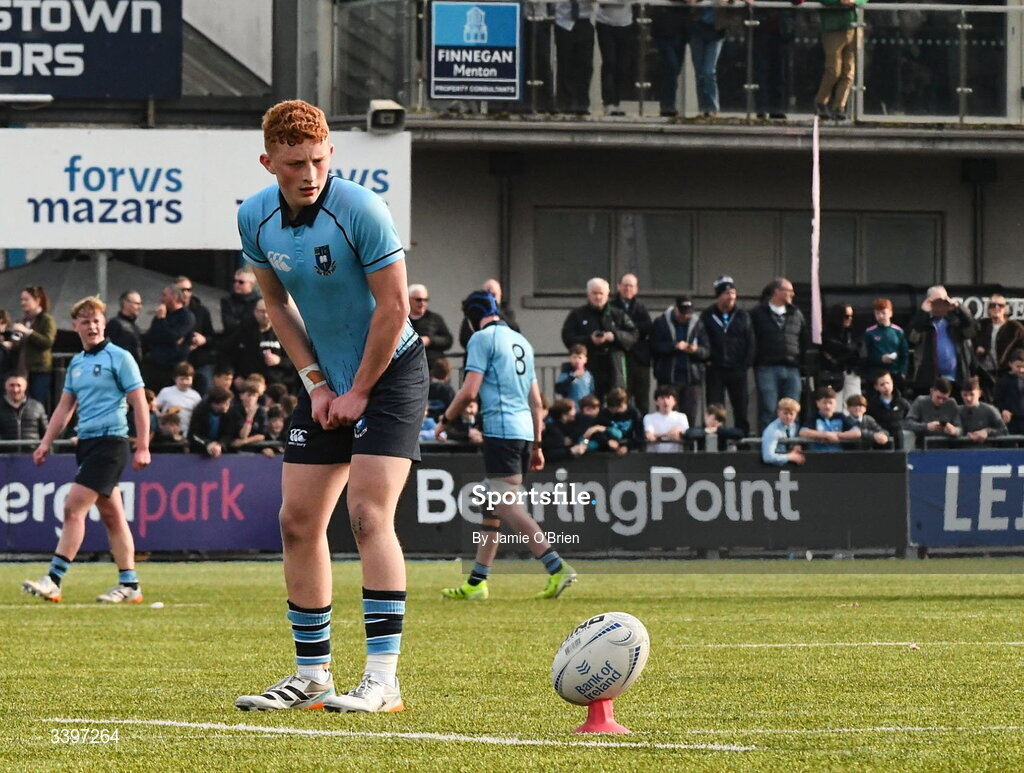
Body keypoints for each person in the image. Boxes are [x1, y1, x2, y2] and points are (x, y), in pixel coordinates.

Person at [234, 100, 428, 714]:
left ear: (331, 155)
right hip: (330, 382)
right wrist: (318, 384)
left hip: (391, 373)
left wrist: (360, 391)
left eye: (318, 160)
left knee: (368, 515)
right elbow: (276, 306)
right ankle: (313, 675)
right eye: (295, 164)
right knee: (297, 521)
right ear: (269, 163)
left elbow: (395, 307)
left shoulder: (362, 210)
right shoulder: (253, 219)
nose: (309, 173)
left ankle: (382, 680)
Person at [438, 290, 576, 601]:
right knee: (491, 505)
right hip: (525, 431)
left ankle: (556, 566)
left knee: (504, 504)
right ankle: (477, 582)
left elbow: (469, 391)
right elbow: (536, 400)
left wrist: (444, 421)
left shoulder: (482, 339)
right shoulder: (521, 342)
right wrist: (538, 444)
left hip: (501, 429)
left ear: (473, 317)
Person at [22, 296, 150, 604]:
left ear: (103, 324)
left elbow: (139, 402)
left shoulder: (119, 357)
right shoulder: (77, 363)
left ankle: (54, 579)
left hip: (111, 442)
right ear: (76, 326)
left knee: (72, 507)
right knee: (113, 516)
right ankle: (129, 583)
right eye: (86, 321)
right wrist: (45, 442)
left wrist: (143, 445)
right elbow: (65, 408)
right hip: (88, 443)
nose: (92, 326)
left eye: (96, 320)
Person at [560, 277, 638, 403]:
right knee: (590, 402)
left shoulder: (618, 314)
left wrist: (614, 336)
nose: (598, 297)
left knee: (617, 400)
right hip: (590, 365)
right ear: (588, 294)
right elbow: (567, 337)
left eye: (601, 293)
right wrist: (589, 340)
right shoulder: (577, 314)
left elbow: (633, 334)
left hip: (614, 365)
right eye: (594, 293)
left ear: (607, 294)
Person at [750, 277, 809, 431]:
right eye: (789, 291)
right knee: (769, 408)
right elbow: (750, 339)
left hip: (792, 368)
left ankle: (790, 444)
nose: (793, 294)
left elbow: (804, 340)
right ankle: (769, 445)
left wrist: (801, 363)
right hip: (766, 367)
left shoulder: (796, 314)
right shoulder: (757, 313)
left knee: (792, 409)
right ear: (777, 291)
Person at [700, 275, 753, 435]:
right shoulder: (707, 315)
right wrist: (707, 360)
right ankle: (717, 441)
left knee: (741, 408)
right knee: (715, 409)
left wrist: (745, 364)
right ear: (719, 296)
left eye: (733, 293)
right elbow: (702, 339)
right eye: (727, 294)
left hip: (737, 369)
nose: (731, 297)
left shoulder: (742, 315)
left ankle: (741, 441)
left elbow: (751, 342)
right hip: (715, 369)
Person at [907, 285, 978, 397]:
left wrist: (958, 308)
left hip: (957, 380)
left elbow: (972, 331)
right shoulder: (924, 322)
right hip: (930, 381)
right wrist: (923, 312)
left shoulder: (955, 321)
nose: (940, 304)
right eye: (936, 301)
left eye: (943, 299)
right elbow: (912, 338)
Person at [650, 295, 709, 427]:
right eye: (682, 313)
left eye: (687, 313)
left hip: (692, 379)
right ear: (675, 308)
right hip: (668, 378)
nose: (685, 316)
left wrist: (695, 350)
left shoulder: (698, 324)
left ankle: (688, 447)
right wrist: (674, 347)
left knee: (689, 418)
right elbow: (654, 346)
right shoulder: (661, 323)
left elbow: (706, 351)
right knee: (668, 417)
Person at [220, 297, 295, 391]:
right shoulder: (245, 329)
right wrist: (235, 375)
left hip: (274, 384)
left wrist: (279, 360)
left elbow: (295, 361)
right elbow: (226, 351)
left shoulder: (283, 332)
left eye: (269, 311)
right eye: (262, 311)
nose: (266, 315)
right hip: (248, 383)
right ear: (255, 312)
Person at [814, 0, 868, 121]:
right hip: (833, 28)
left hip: (854, 26)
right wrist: (839, 1)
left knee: (849, 72)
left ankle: (839, 107)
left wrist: (854, 1)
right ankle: (821, 102)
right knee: (833, 70)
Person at [610, 273, 653, 415]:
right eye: (625, 285)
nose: (628, 288)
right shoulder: (611, 307)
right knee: (621, 396)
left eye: (631, 286)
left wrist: (626, 333)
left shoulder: (641, 308)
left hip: (640, 359)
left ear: (636, 289)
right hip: (619, 357)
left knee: (642, 400)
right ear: (618, 287)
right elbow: (611, 329)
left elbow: (646, 329)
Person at [10, 286, 57, 408]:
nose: (23, 303)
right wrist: (13, 340)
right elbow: (15, 345)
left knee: (36, 406)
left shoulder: (47, 320)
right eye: (22, 299)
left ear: (37, 300)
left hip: (39, 371)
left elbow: (47, 342)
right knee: (20, 405)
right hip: (22, 372)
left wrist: (28, 332)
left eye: (26, 299)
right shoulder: (22, 320)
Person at [142, 284, 196, 391]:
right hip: (155, 366)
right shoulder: (162, 315)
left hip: (173, 368)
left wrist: (162, 320)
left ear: (174, 297)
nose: (162, 299)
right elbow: (151, 336)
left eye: (164, 295)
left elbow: (172, 337)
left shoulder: (186, 316)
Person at [974, 294, 1024, 398]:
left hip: (1006, 373)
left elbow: (1021, 350)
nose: (996, 308)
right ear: (988, 309)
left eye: (1000, 305)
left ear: (1005, 308)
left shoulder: (1015, 328)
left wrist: (1015, 363)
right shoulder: (982, 325)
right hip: (984, 373)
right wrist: (978, 349)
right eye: (992, 305)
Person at [175, 276, 217, 394]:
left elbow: (213, 338)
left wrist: (203, 340)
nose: (186, 293)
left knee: (205, 394)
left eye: (189, 290)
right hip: (179, 363)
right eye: (182, 290)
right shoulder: (169, 310)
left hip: (200, 361)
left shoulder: (202, 311)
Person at [649, 0, 691, 117]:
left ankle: (669, 102)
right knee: (671, 65)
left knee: (675, 69)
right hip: (664, 30)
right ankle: (667, 104)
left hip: (681, 30)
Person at [554, 0, 595, 115]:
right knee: (565, 63)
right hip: (564, 21)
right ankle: (565, 103)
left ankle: (582, 103)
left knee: (585, 64)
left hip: (584, 20)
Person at [595, 2, 635, 116]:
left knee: (623, 65)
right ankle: (608, 102)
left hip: (625, 23)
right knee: (609, 62)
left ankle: (618, 101)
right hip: (605, 23)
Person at [863, 298, 909, 393]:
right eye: (877, 313)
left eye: (883, 313)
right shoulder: (870, 332)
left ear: (890, 313)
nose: (880, 316)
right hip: (875, 374)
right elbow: (865, 355)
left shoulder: (898, 331)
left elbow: (904, 354)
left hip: (894, 373)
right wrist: (880, 359)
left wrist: (903, 372)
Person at [457, 278, 520, 349]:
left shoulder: (507, 312)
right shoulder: (473, 313)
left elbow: (515, 332)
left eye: (493, 295)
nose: (491, 298)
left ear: (500, 294)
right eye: (487, 294)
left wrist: (496, 313)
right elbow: (464, 339)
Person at [798, 385, 861, 452]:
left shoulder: (840, 417)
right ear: (817, 403)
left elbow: (857, 433)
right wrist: (826, 435)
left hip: (838, 456)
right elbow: (803, 432)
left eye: (830, 403)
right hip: (818, 456)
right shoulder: (814, 417)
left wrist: (837, 435)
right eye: (824, 403)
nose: (827, 406)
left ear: (835, 403)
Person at [820, 303, 861, 405]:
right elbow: (833, 348)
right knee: (835, 403)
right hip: (834, 374)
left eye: (851, 316)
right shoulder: (828, 333)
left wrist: (847, 351)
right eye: (847, 316)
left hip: (851, 371)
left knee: (854, 402)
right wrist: (849, 351)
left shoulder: (853, 332)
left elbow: (859, 350)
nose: (850, 319)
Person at [408, 284, 453, 370]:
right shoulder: (403, 320)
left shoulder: (435, 318)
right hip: (410, 367)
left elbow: (448, 340)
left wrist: (430, 340)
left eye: (426, 300)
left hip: (432, 368)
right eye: (418, 300)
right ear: (409, 299)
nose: (422, 303)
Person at [187, 385, 240, 457]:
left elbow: (229, 434)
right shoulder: (200, 411)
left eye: (229, 402)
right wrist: (208, 444)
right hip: (200, 452)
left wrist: (220, 444)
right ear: (214, 403)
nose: (228, 405)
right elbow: (193, 434)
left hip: (222, 452)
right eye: (225, 403)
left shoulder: (230, 412)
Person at [0, 373, 48, 447]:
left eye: (19, 385)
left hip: (32, 455)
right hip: (5, 456)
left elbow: (46, 434)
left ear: (25, 387)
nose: (15, 390)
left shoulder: (37, 406)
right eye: (11, 385)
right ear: (5, 386)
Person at [593, 387, 645, 455]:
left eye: (613, 409)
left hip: (627, 449)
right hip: (607, 449)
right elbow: (596, 431)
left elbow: (640, 436)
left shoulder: (634, 413)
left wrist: (628, 447)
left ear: (621, 405)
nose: (611, 411)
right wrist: (607, 441)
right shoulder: (604, 413)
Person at [155, 362, 203, 436]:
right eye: (182, 379)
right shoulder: (166, 391)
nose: (184, 382)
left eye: (187, 379)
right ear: (175, 379)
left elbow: (199, 416)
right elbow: (154, 408)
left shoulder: (195, 396)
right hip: (167, 433)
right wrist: (165, 414)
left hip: (186, 432)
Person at [866, 371, 912, 447]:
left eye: (888, 383)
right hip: (880, 444)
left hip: (899, 443)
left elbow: (911, 420)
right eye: (882, 384)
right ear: (876, 387)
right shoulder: (871, 405)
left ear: (892, 383)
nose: (886, 386)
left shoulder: (902, 403)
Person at [959, 376, 1007, 444]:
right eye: (965, 395)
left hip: (986, 450)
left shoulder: (990, 410)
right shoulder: (957, 411)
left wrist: (987, 432)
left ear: (980, 393)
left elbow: (1004, 431)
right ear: (961, 394)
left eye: (972, 394)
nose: (968, 398)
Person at [643, 385, 689, 453]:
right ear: (656, 402)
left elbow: (682, 435)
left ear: (674, 401)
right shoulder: (649, 418)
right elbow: (650, 436)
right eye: (662, 398)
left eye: (668, 398)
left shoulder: (681, 417)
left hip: (676, 456)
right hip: (654, 457)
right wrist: (668, 434)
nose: (666, 401)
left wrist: (658, 436)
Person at [761, 397, 805, 466]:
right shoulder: (772, 430)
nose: (788, 417)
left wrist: (794, 447)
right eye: (785, 413)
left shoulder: (794, 426)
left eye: (791, 414)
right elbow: (768, 457)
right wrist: (789, 457)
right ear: (778, 412)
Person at [105, 290, 144, 364]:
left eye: (141, 304)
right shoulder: (115, 324)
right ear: (126, 303)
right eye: (137, 304)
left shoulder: (135, 326)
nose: (140, 307)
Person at [221, 267, 261, 336]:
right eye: (234, 281)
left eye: (241, 282)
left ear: (251, 284)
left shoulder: (259, 302)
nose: (236, 284)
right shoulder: (226, 300)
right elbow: (229, 325)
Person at [554, 343, 596, 409]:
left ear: (585, 360)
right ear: (570, 358)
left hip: (585, 408)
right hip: (571, 408)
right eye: (574, 357)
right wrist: (572, 377)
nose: (577, 360)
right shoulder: (566, 373)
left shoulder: (588, 375)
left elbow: (591, 391)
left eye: (580, 357)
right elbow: (559, 389)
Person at [993, 349, 1024, 435]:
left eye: (1023, 367)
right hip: (1010, 420)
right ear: (1010, 364)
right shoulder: (1003, 381)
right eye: (1018, 366)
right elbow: (997, 400)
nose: (1021, 370)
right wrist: (1003, 410)